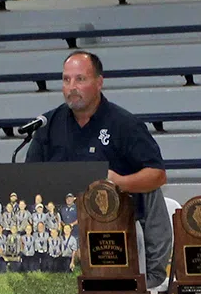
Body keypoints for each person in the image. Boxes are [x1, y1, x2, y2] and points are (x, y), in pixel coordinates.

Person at [23, 50, 172, 280]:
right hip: (61, 237)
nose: (72, 86)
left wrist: (121, 182)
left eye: (80, 79)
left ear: (99, 82)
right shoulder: (48, 126)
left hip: (115, 238)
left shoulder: (125, 125)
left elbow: (157, 176)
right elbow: (29, 180)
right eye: (66, 79)